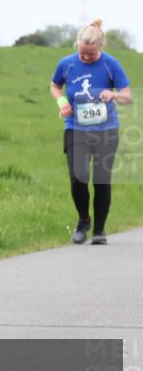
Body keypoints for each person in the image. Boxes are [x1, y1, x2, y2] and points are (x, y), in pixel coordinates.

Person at [50, 19, 133, 245]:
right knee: (78, 178)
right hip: (76, 128)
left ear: (100, 48)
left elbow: (128, 95)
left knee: (101, 180)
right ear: (77, 45)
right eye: (82, 54)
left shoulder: (111, 64)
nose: (86, 58)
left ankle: (99, 230)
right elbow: (55, 86)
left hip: (106, 130)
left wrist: (113, 94)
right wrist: (62, 103)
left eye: (91, 55)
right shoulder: (66, 64)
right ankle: (83, 219)